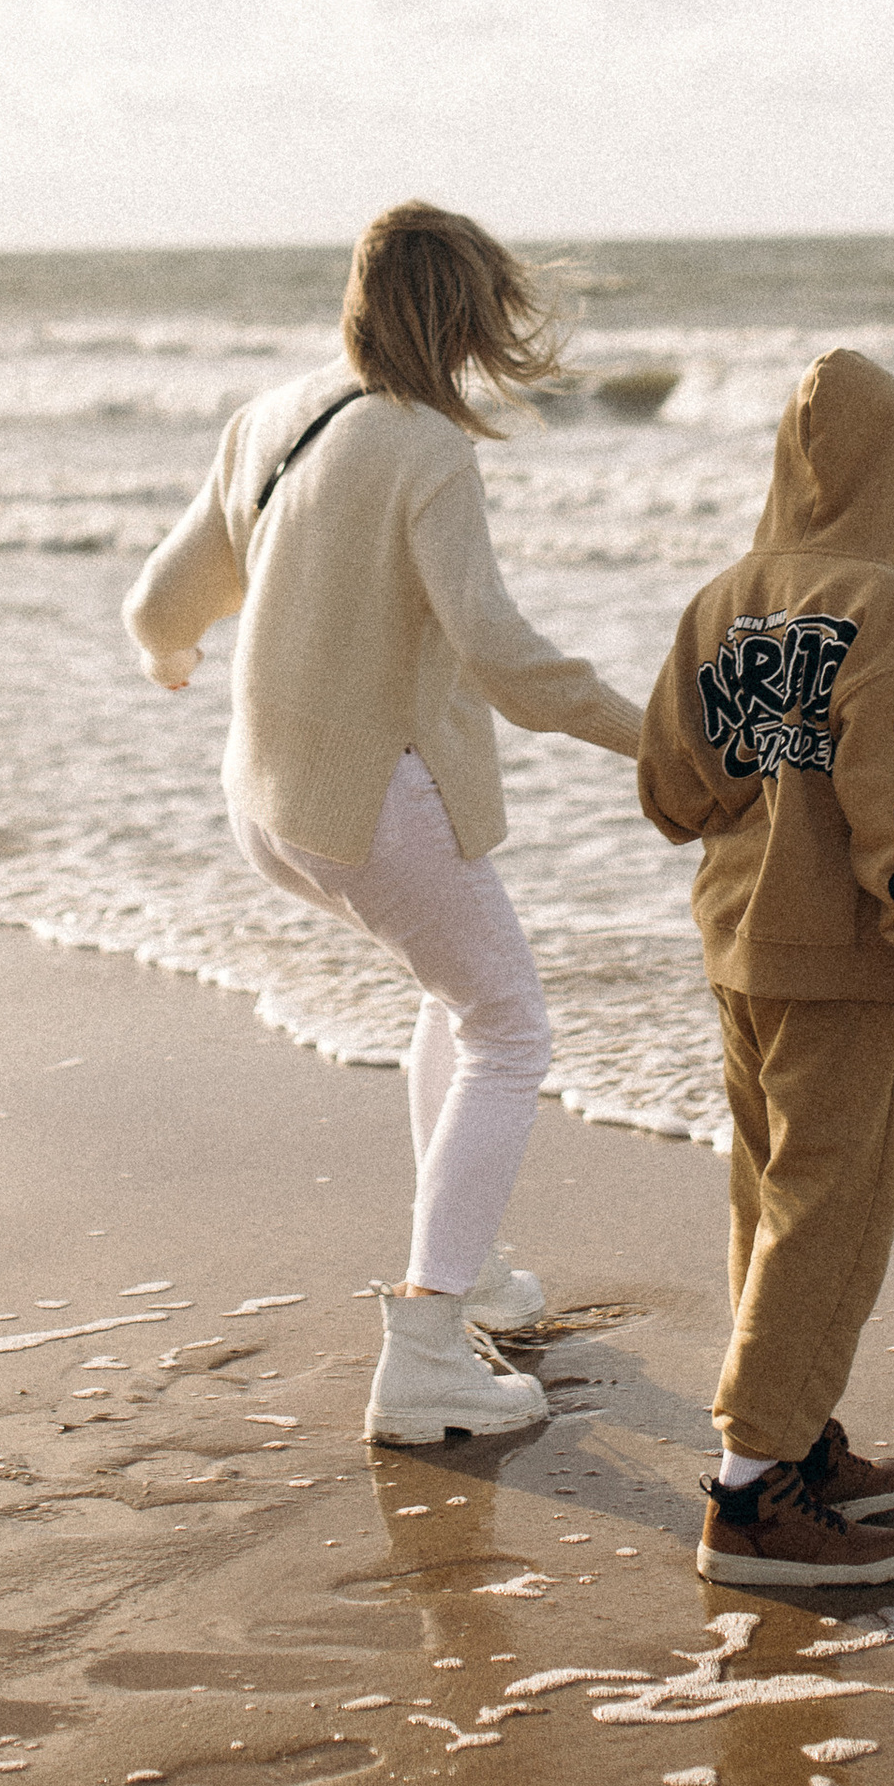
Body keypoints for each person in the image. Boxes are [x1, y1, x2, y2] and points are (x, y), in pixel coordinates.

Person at [122, 201, 645, 1447]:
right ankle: (423, 1354)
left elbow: (159, 600)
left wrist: (169, 658)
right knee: (509, 1027)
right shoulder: (425, 447)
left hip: (268, 802)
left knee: (455, 999)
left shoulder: (274, 415)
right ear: (462, 316)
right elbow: (504, 660)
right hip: (374, 803)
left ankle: (468, 1272)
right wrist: (661, 741)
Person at [636, 346, 894, 1591]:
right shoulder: (877, 607)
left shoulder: (723, 598)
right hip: (836, 958)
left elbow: (670, 785)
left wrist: (753, 802)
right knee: (829, 1211)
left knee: (767, 1197)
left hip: (735, 943)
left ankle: (794, 1440)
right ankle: (751, 1496)